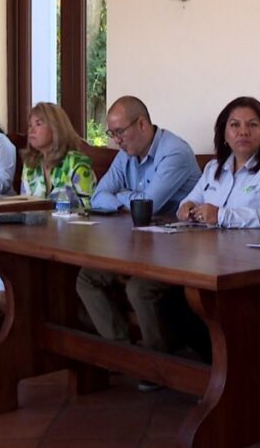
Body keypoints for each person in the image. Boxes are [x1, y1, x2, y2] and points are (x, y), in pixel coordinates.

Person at [75, 96, 201, 391]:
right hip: (135, 242)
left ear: (142, 124)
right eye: (112, 133)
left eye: (119, 132)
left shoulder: (174, 152)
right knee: (87, 278)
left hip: (180, 245)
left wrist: (126, 199)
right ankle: (122, 353)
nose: (116, 140)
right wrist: (129, 199)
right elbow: (98, 196)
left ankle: (156, 364)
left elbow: (149, 204)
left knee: (138, 288)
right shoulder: (127, 153)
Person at [0, 102, 96, 324]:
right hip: (37, 232)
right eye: (30, 125)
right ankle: (4, 301)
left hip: (72, 237)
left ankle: (14, 311)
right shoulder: (31, 164)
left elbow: (89, 208)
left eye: (38, 124)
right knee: (2, 244)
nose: (31, 130)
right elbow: (25, 201)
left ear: (56, 128)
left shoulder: (77, 163)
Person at [176, 96, 260, 227]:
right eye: (235, 125)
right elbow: (192, 200)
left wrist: (221, 216)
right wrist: (186, 208)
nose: (244, 132)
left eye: (252, 125)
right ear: (224, 134)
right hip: (214, 244)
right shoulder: (213, 168)